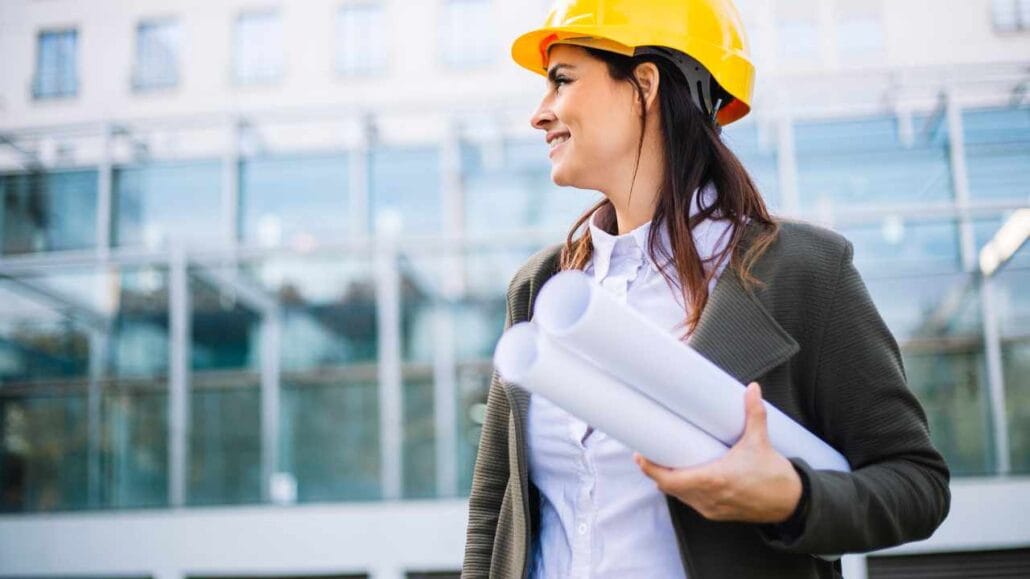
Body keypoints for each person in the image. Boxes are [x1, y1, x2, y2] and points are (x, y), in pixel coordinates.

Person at [462, 1, 951, 577]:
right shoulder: (540, 287)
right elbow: (495, 505)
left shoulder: (803, 271)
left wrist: (793, 499)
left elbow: (917, 483)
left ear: (644, 84)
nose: (539, 115)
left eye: (561, 81)